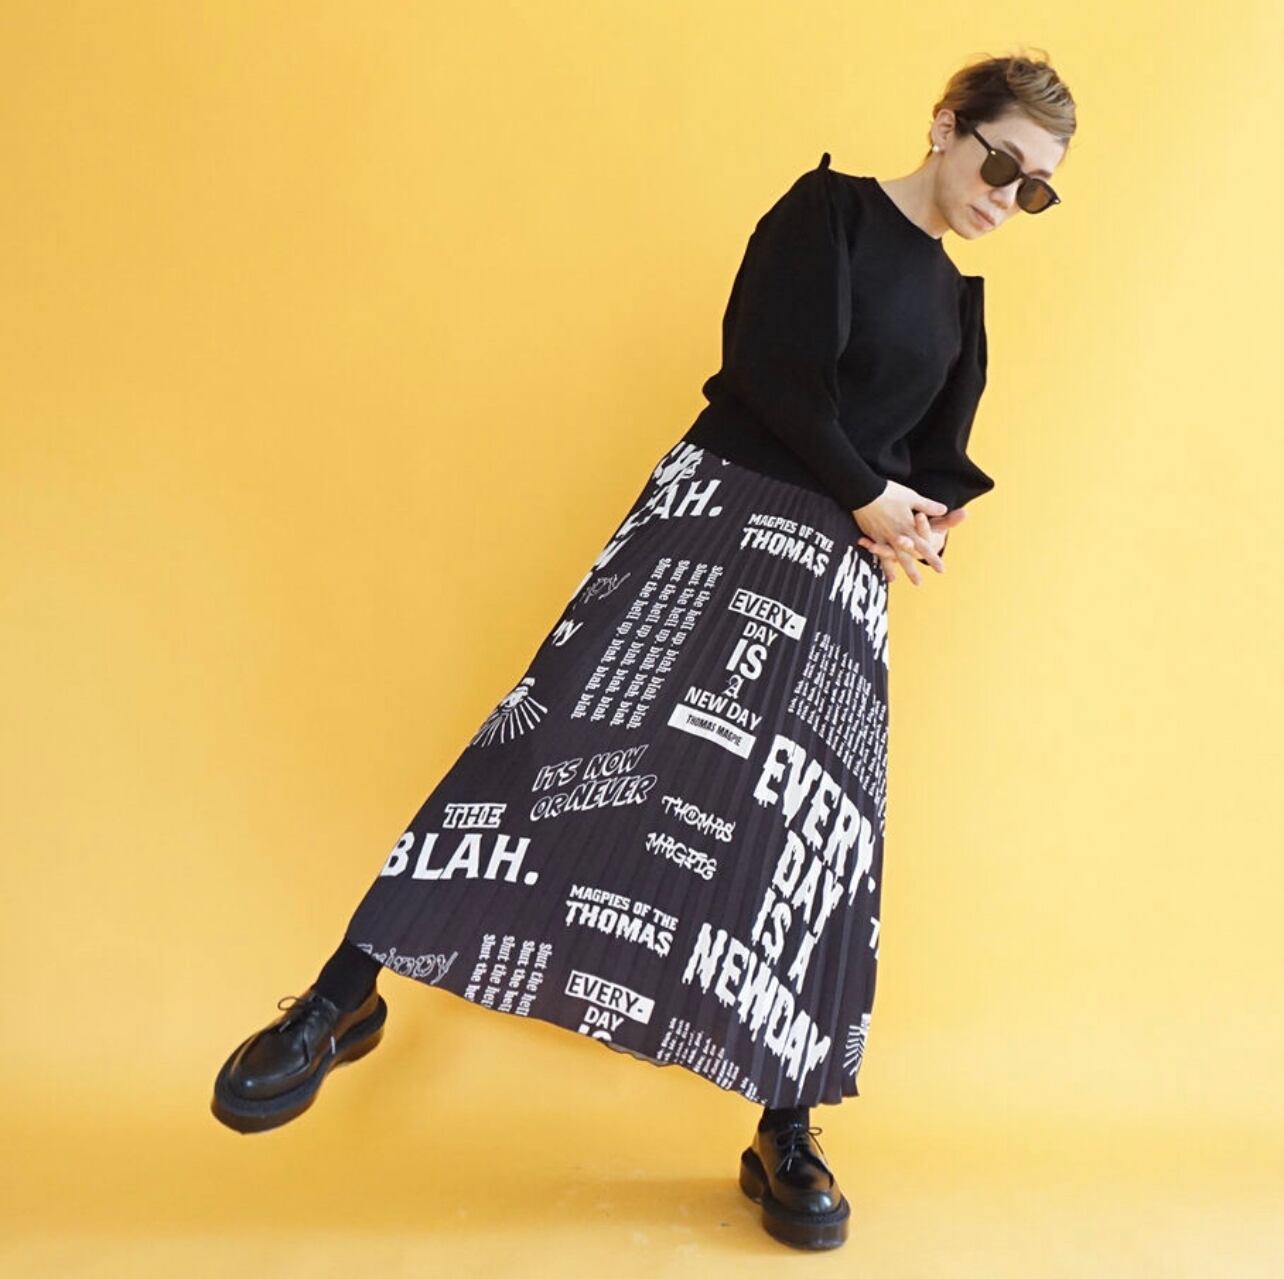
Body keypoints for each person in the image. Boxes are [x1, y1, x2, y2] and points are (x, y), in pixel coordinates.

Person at [210, 50, 1076, 1252]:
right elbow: (773, 376)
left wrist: (924, 517)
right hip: (716, 517)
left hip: (833, 574)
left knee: (803, 842)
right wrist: (872, 494)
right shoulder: (827, 214)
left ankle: (787, 1125)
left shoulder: (960, 308)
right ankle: (341, 997)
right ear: (945, 126)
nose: (1008, 200)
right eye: (1001, 166)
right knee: (549, 741)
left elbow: (931, 460)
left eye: (1036, 191)